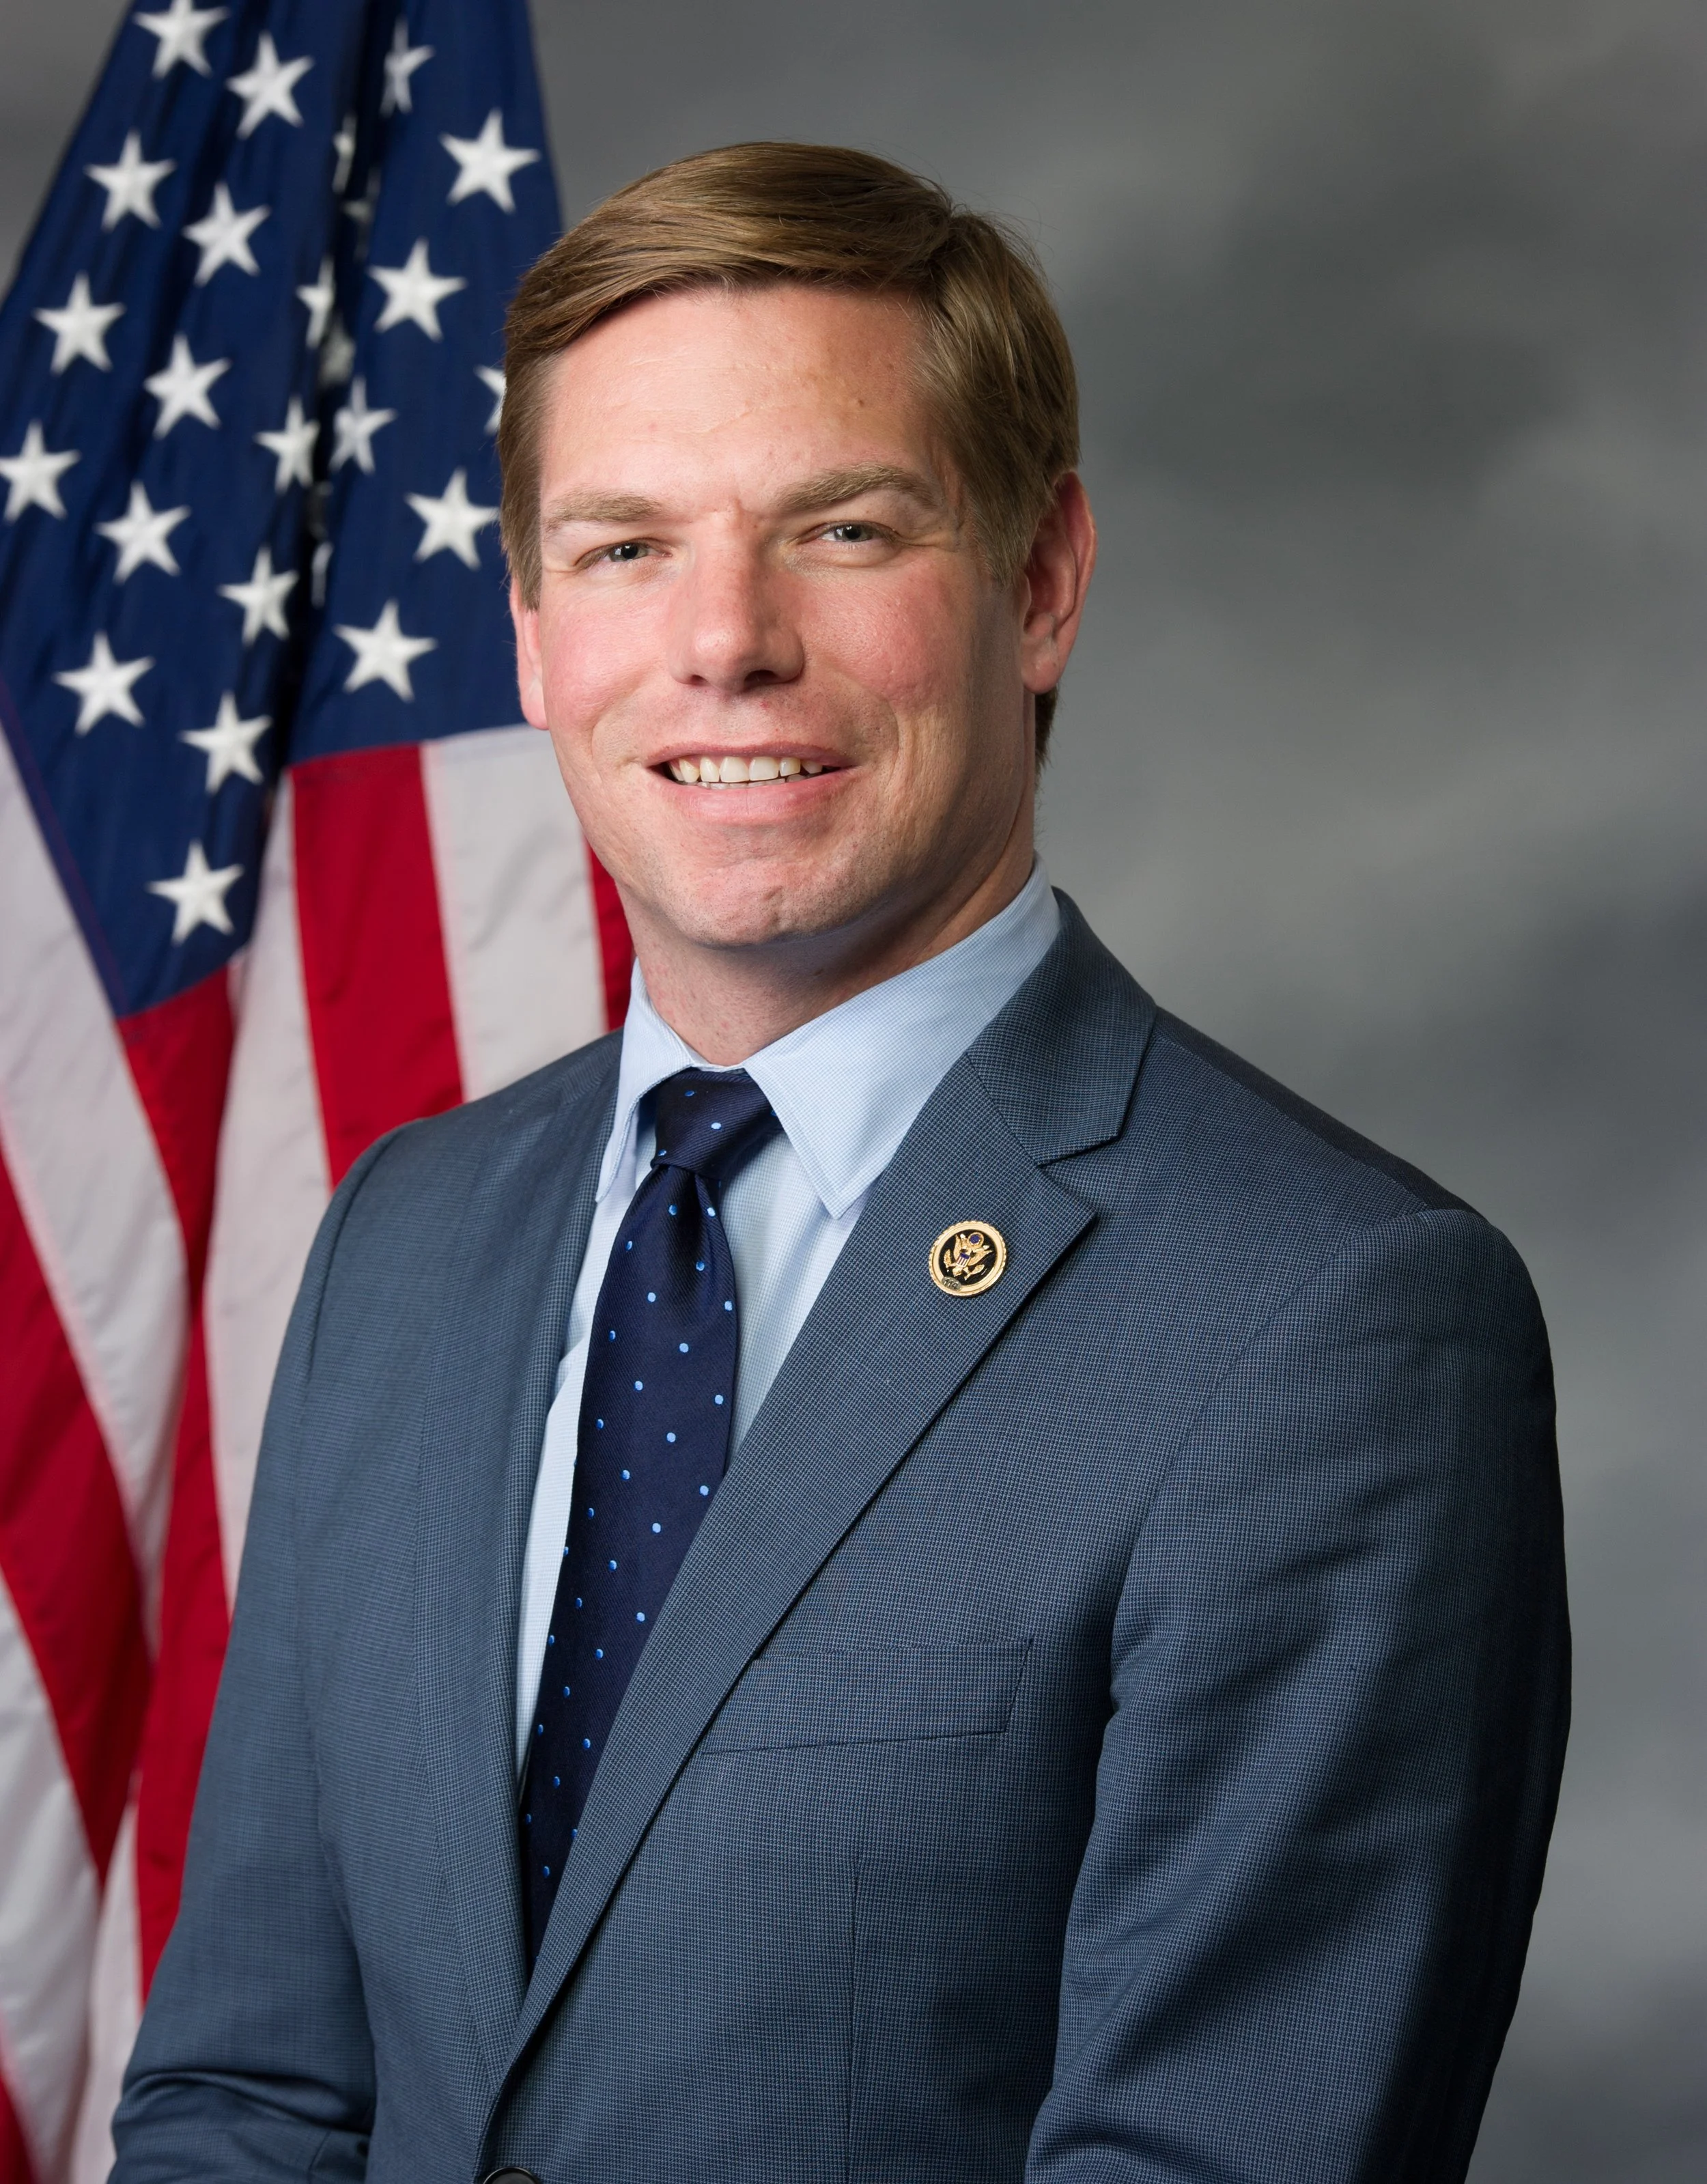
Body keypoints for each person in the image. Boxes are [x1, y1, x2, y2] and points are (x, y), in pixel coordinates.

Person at [114, 144, 1569, 2184]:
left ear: (1040, 583)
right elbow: (251, 2100)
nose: (724, 641)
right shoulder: (405, 1236)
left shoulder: (1330, 1319)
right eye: (623, 548)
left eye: (844, 526)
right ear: (529, 630)